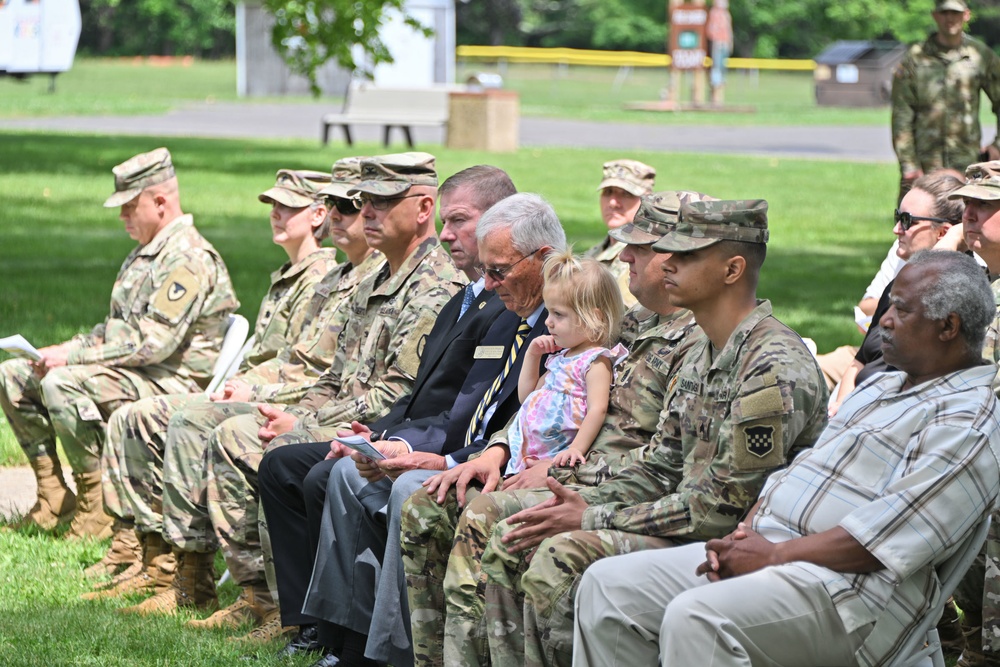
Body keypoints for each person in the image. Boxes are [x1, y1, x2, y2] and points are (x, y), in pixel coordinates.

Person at [399, 196, 828, 667]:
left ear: (731, 270)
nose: (662, 264)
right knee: (455, 511)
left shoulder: (769, 367)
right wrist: (525, 463)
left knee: (538, 547)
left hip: (731, 542)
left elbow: (714, 508)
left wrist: (585, 512)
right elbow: (656, 458)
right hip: (640, 499)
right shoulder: (697, 343)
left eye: (682, 256)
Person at [574, 249, 1000, 667]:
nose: (883, 320)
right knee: (608, 587)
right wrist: (744, 539)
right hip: (775, 554)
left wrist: (775, 555)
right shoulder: (884, 387)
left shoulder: (969, 422)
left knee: (699, 617)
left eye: (901, 311)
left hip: (850, 596)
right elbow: (799, 472)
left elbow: (882, 539)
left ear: (948, 327)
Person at [117, 153, 464, 634]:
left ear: (424, 208)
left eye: (381, 203)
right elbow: (331, 376)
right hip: (345, 415)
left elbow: (396, 395)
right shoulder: (377, 280)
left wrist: (297, 425)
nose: (365, 214)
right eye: (363, 202)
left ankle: (284, 607)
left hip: (388, 431)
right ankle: (256, 596)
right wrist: (295, 413)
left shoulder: (433, 285)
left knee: (257, 442)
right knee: (250, 434)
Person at [274, 192, 565, 667]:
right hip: (467, 451)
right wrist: (400, 442)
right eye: (486, 272)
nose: (489, 284)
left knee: (411, 486)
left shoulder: (567, 328)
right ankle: (341, 639)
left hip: (511, 468)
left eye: (500, 271)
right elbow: (462, 412)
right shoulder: (502, 318)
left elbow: (534, 427)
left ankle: (390, 653)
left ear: (545, 260)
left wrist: (447, 461)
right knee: (352, 473)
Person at [79, 157, 380, 607]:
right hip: (282, 394)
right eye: (273, 206)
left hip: (316, 408)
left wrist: (251, 392)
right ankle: (164, 565)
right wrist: (242, 385)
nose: (275, 215)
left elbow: (310, 370)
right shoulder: (320, 279)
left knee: (194, 423)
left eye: (289, 207)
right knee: (148, 418)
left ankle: (233, 590)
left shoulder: (335, 279)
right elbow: (291, 359)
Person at [0, 147, 239, 539]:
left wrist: (72, 358)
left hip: (169, 381)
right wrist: (58, 350)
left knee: (62, 383)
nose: (122, 216)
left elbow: (154, 344)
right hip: (133, 372)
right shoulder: (146, 254)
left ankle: (97, 510)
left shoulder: (189, 259)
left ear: (160, 201)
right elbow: (116, 330)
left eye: (130, 207)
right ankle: (54, 498)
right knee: (14, 375)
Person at [829, 170, 965, 415]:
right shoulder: (899, 285)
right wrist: (841, 408)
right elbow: (860, 361)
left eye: (907, 220)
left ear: (943, 233)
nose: (896, 229)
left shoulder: (954, 299)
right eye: (897, 216)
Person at [506, 251, 626, 474]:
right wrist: (532, 356)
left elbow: (597, 409)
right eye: (548, 312)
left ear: (594, 317)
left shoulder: (595, 361)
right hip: (529, 451)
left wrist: (575, 448)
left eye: (558, 314)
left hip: (558, 453)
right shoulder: (560, 358)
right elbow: (527, 396)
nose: (548, 322)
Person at [891, 0, 1000, 200]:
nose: (950, 18)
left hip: (967, 165)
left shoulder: (980, 56)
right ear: (935, 16)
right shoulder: (915, 59)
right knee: (915, 223)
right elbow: (901, 116)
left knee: (970, 224)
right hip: (925, 167)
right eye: (944, 13)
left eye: (955, 13)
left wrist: (997, 145)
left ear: (966, 15)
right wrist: (909, 165)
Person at [585, 159, 656, 308]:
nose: (613, 202)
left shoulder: (646, 259)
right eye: (608, 192)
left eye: (626, 194)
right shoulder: (593, 254)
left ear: (647, 200)